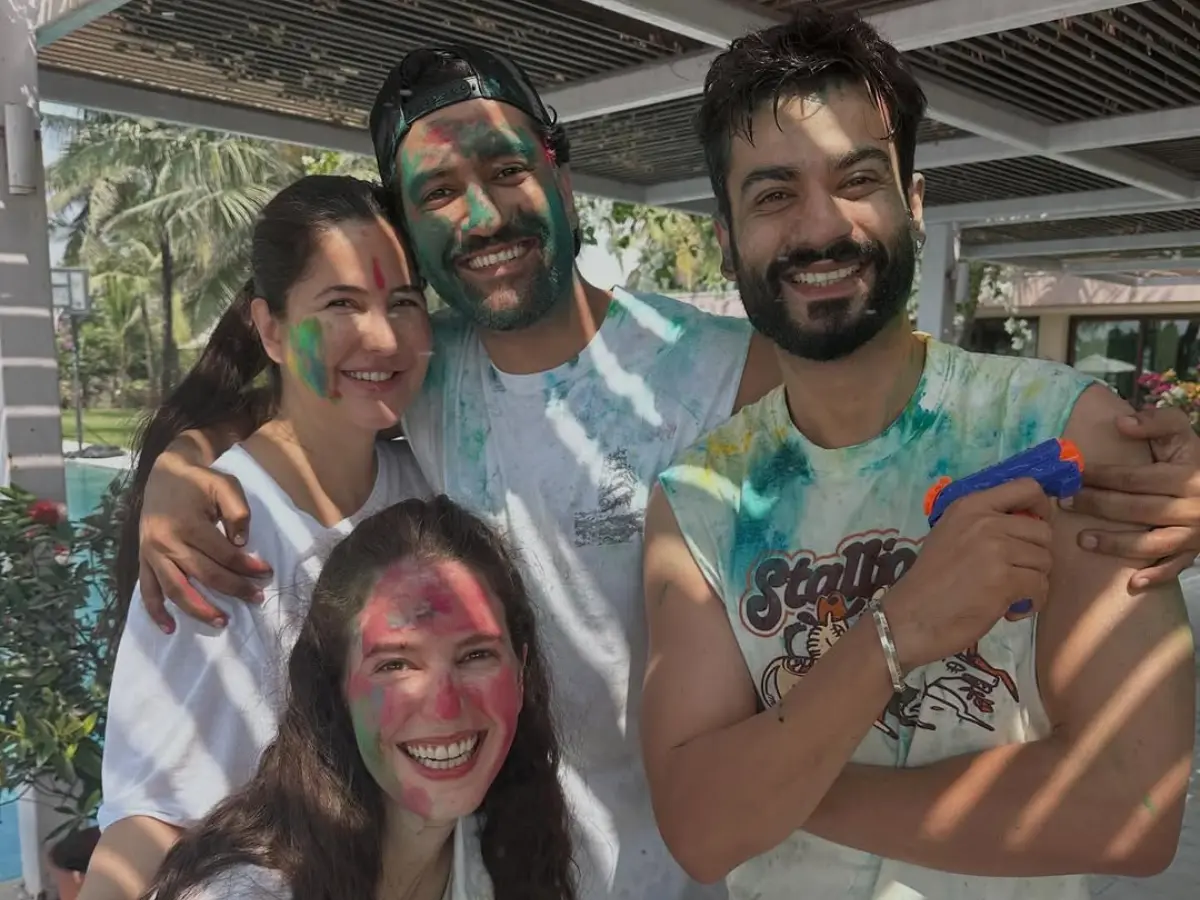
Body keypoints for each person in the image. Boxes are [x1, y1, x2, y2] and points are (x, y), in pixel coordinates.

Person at [124, 43, 1200, 900]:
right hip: (515, 868)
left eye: (506, 171)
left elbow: (871, 368)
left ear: (560, 168)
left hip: (708, 870)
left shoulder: (724, 370)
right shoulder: (419, 366)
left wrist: (1157, 445)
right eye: (438, 191)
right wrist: (174, 467)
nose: (484, 213)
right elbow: (280, 374)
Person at [641, 10, 1197, 900]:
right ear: (726, 237)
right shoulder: (700, 501)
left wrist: (780, 787)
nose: (821, 228)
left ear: (915, 202)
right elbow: (700, 838)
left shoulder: (1057, 430)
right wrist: (898, 633)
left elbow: (1131, 809)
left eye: (857, 178)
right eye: (774, 194)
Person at [81, 176, 433, 900]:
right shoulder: (211, 532)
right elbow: (148, 812)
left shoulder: (421, 485)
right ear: (271, 329)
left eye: (404, 301)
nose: (384, 334)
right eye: (341, 304)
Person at [143, 497, 575, 900]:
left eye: (476, 655)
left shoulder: (510, 857)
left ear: (520, 673)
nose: (445, 707)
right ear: (335, 688)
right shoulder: (245, 892)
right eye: (395, 665)